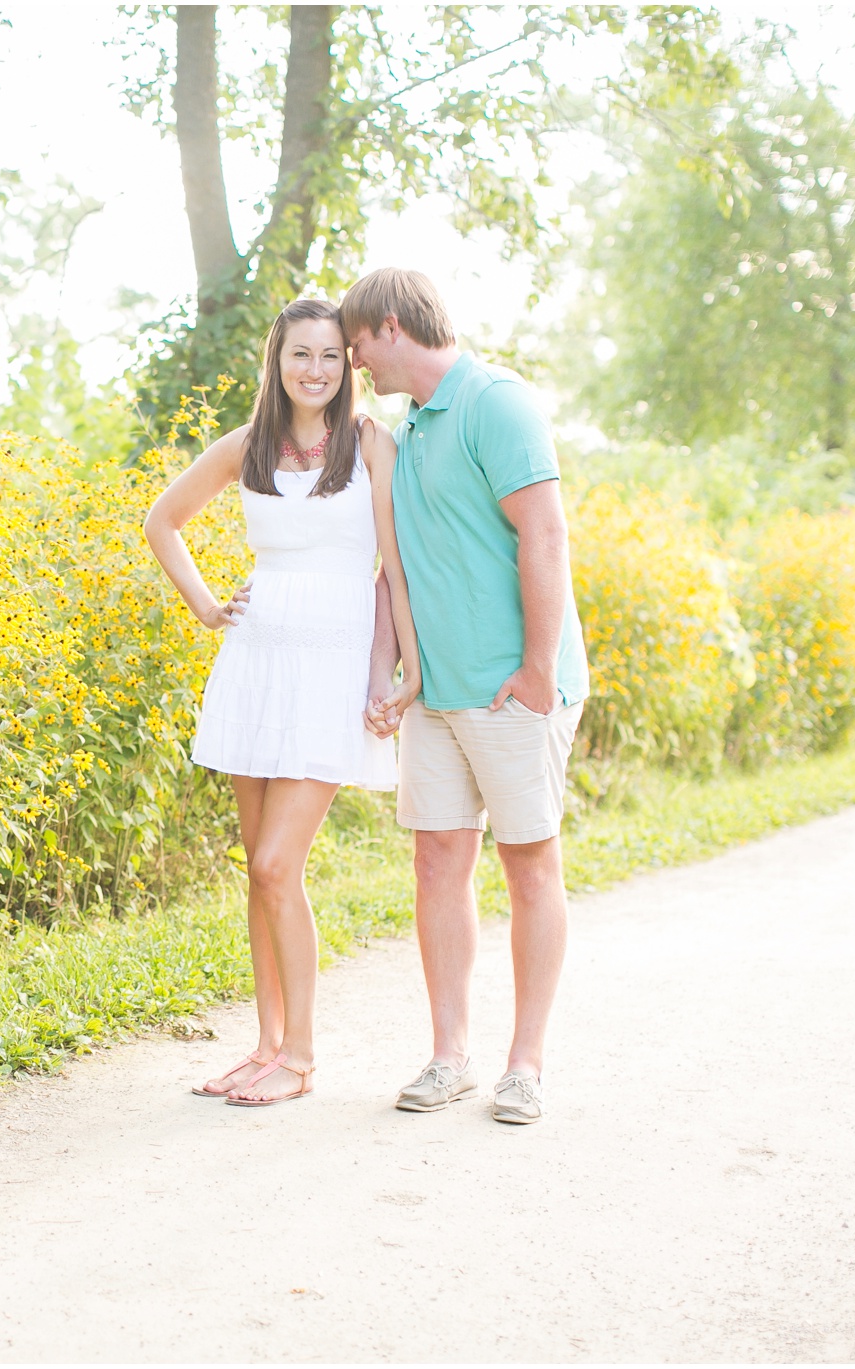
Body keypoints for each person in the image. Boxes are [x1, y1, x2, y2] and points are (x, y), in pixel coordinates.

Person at [143, 297, 419, 1108]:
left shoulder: (370, 444)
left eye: (331, 356)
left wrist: (399, 672)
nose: (316, 370)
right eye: (302, 354)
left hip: (332, 672)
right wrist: (204, 605)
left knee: (277, 864)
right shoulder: (249, 445)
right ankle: (264, 1043)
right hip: (256, 664)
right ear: (279, 359)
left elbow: (392, 571)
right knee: (256, 875)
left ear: (348, 365)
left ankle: (300, 1055)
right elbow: (163, 520)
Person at [341, 267, 591, 1125]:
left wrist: (535, 668)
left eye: (356, 343)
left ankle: (526, 1064)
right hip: (437, 697)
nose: (354, 361)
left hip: (514, 691)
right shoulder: (408, 431)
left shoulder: (496, 402)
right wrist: (396, 675)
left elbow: (546, 533)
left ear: (388, 325)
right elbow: (396, 569)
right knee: (438, 862)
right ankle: (450, 1055)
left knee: (529, 863)